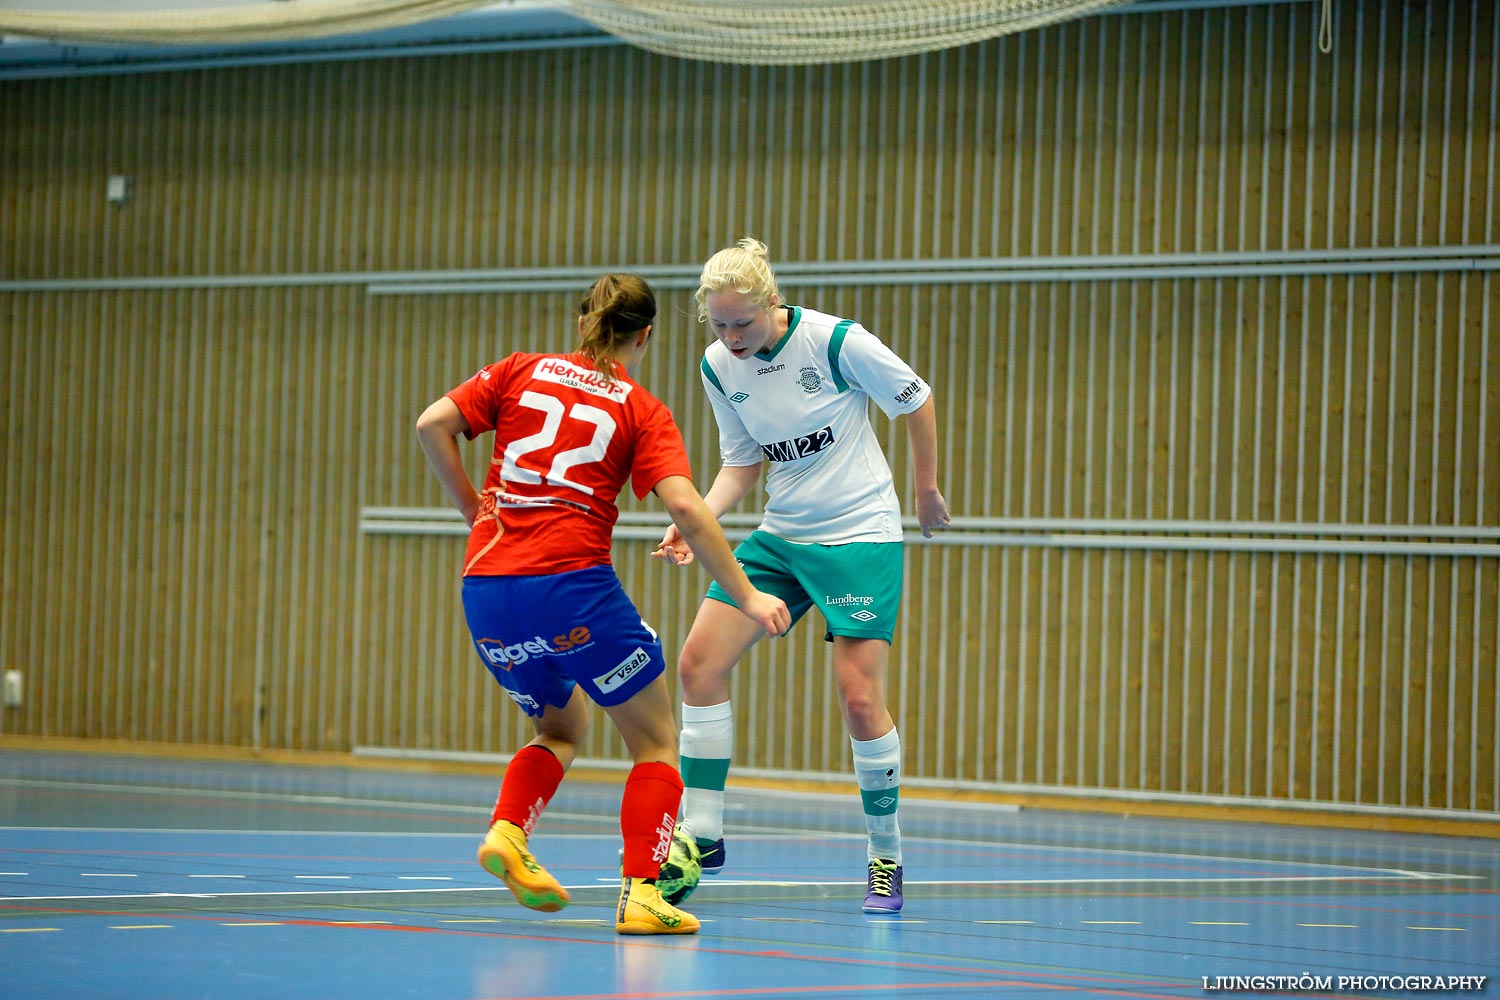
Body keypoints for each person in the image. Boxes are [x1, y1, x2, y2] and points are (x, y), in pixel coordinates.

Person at [416, 273, 791, 936]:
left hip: (487, 589)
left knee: (561, 729)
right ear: (645, 335)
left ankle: (508, 831)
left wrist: (473, 508)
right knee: (655, 741)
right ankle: (642, 895)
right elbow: (684, 505)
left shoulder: (519, 370)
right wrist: (748, 593)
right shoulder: (640, 409)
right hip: (572, 590)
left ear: (584, 321)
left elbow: (432, 425)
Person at [655, 238, 950, 914]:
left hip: (858, 536)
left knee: (858, 700)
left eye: (743, 324)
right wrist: (693, 517)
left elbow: (916, 398)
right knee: (699, 662)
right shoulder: (717, 366)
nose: (731, 338)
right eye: (719, 325)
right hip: (782, 535)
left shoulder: (834, 343)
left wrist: (926, 489)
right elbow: (743, 465)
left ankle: (885, 856)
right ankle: (703, 835)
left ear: (772, 304)